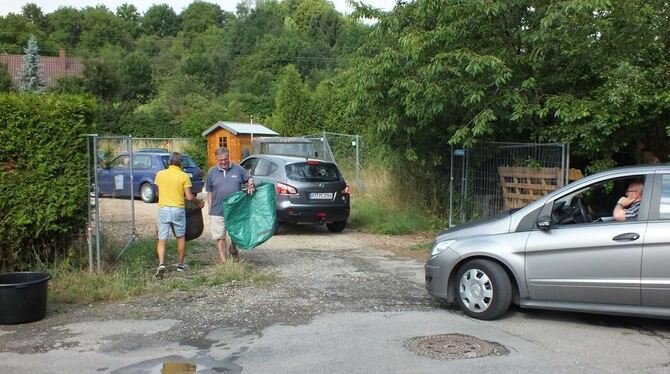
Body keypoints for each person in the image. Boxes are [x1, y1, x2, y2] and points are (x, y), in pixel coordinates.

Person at [154, 152, 204, 278]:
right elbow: (189, 196)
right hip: (178, 209)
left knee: (162, 238)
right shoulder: (183, 176)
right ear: (180, 163)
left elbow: (159, 194)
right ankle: (181, 265)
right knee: (180, 236)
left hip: (163, 208)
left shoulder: (160, 175)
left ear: (169, 162)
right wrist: (199, 203)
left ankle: (161, 264)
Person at [207, 147, 255, 263]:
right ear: (216, 159)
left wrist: (250, 183)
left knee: (235, 234)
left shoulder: (238, 169)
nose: (223, 162)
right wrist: (210, 207)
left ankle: (233, 248)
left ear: (229, 157)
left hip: (235, 209)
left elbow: (249, 178)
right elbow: (209, 191)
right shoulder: (211, 172)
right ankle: (224, 262)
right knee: (220, 236)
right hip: (217, 210)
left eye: (225, 159)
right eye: (220, 160)